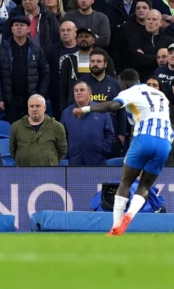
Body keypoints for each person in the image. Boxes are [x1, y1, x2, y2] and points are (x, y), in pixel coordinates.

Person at [73, 69, 173, 236]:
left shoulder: (131, 91)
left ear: (122, 82)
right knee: (145, 186)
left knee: (125, 182)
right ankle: (131, 214)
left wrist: (85, 110)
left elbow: (113, 105)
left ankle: (115, 226)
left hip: (144, 138)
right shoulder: (160, 95)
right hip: (165, 141)